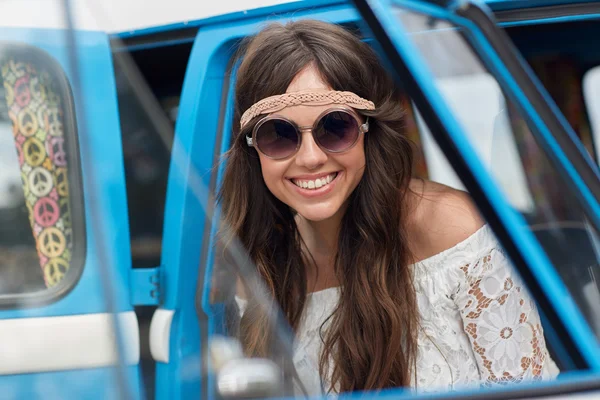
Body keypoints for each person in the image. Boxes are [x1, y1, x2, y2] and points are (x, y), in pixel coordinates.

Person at [216, 19, 559, 396]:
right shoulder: (255, 269)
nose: (311, 158)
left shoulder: (451, 227)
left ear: (368, 130)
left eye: (335, 127)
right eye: (279, 135)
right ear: (252, 149)